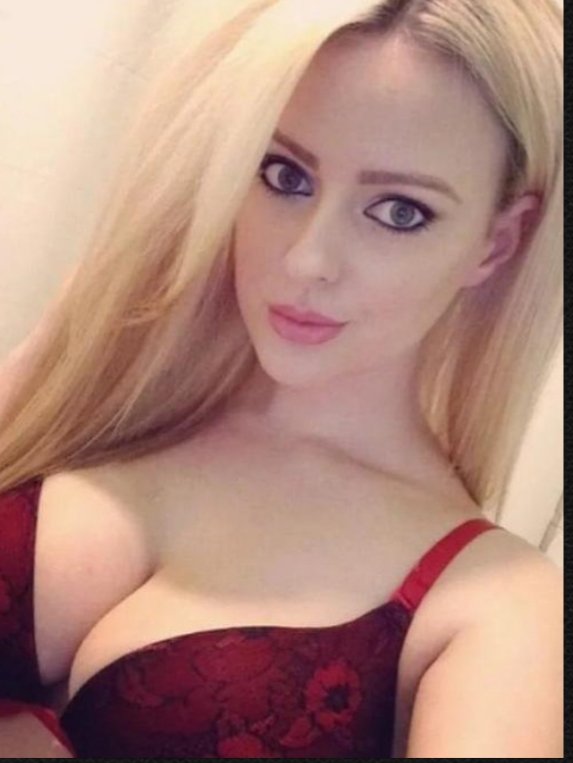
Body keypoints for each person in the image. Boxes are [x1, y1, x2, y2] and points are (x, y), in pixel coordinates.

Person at [0, 0, 563, 757]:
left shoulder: (494, 601)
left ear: (496, 244)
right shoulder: (106, 363)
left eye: (399, 212)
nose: (307, 259)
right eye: (284, 174)